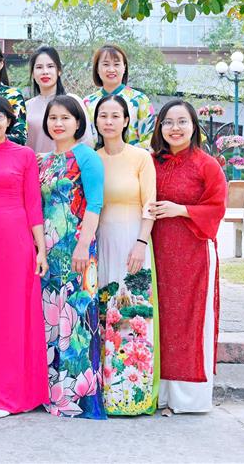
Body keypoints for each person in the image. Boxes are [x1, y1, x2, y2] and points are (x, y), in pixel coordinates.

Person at [0, 93, 48, 418]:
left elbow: (33, 204)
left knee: (15, 315)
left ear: (10, 119)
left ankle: (15, 392)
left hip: (17, 241)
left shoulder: (24, 155)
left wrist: (40, 249)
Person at [148, 100, 227, 415]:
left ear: (194, 126)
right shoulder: (151, 162)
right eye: (168, 122)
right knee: (160, 319)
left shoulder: (206, 165)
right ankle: (158, 393)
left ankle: (188, 398)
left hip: (193, 253)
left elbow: (217, 207)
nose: (175, 128)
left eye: (182, 121)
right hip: (157, 253)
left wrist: (180, 209)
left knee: (188, 320)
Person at [37, 95, 106, 419]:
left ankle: (78, 398)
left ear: (78, 122)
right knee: (51, 321)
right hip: (50, 254)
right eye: (53, 118)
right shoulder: (44, 161)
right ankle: (52, 393)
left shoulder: (87, 157)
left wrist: (83, 244)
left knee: (77, 320)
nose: (58, 123)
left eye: (65, 118)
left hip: (78, 250)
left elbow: (95, 204)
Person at [94, 95, 160, 416]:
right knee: (105, 314)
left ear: (125, 121)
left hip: (133, 240)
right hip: (102, 242)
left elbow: (150, 204)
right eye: (103, 115)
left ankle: (134, 395)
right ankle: (107, 392)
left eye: (115, 116)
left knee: (133, 315)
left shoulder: (140, 158)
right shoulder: (93, 159)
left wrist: (141, 242)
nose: (108, 121)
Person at [84, 44, 154, 148]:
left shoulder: (140, 99)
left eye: (116, 64)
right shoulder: (87, 102)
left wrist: (127, 154)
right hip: (95, 157)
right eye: (106, 64)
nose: (111, 69)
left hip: (133, 157)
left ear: (124, 68)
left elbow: (150, 139)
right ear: (97, 69)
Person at [25, 46, 92, 154]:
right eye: (39, 67)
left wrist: (51, 157)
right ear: (33, 73)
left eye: (50, 66)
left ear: (59, 71)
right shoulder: (27, 106)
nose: (45, 72)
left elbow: (86, 142)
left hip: (69, 163)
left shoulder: (73, 101)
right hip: (34, 164)